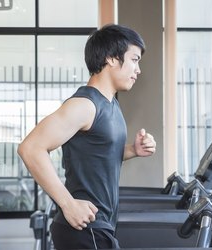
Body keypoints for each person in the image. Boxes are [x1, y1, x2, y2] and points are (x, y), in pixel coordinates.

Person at [18, 24, 156, 249]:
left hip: (99, 227)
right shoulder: (84, 105)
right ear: (112, 58)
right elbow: (30, 148)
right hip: (85, 228)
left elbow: (97, 152)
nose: (138, 69)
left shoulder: (110, 104)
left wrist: (132, 149)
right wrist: (68, 204)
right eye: (134, 59)